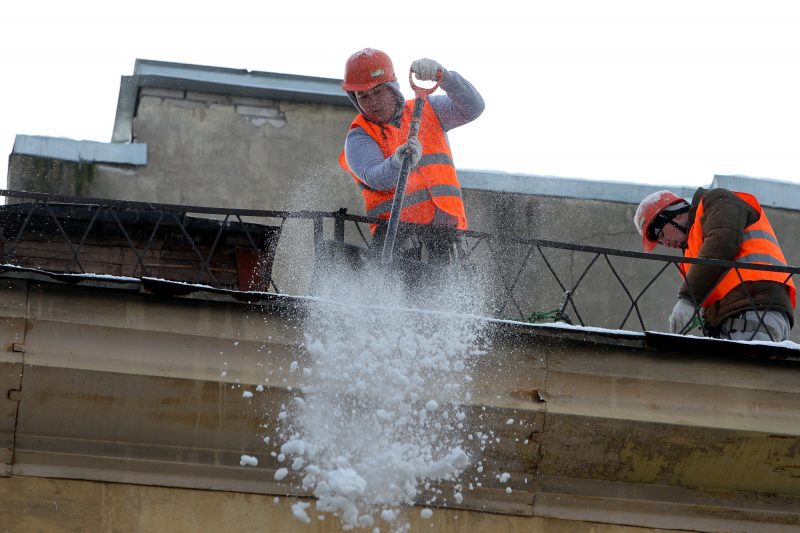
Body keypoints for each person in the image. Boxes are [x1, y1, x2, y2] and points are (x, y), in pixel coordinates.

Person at [338, 48, 484, 265]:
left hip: (445, 237)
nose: (372, 101)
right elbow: (376, 177)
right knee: (397, 296)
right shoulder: (359, 135)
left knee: (443, 295)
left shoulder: (429, 109)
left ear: (393, 88)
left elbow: (473, 107)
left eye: (378, 91)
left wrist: (445, 77)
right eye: (363, 96)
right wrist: (398, 162)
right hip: (396, 240)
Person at [634, 188, 796, 342]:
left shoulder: (717, 200)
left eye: (661, 234)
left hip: (755, 308)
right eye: (660, 242)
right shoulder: (693, 249)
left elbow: (722, 242)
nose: (665, 243)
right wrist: (704, 313)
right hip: (741, 317)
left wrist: (689, 299)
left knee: (748, 370)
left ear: (674, 215)